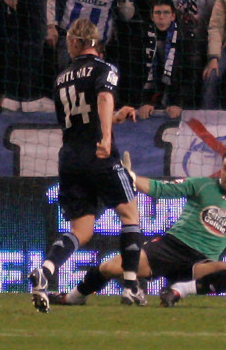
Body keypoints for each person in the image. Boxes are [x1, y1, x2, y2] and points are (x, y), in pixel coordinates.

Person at [54, 147, 226, 308]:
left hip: (200, 264)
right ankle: (74, 298)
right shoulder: (202, 185)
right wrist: (131, 177)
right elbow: (160, 189)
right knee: (110, 267)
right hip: (170, 248)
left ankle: (179, 290)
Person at [28, 17, 144, 313]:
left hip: (69, 157)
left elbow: (81, 115)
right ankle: (131, 287)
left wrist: (114, 118)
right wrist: (107, 136)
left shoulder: (61, 77)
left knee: (82, 229)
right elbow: (103, 98)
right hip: (98, 154)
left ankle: (46, 270)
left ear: (76, 43)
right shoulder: (106, 68)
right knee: (129, 214)